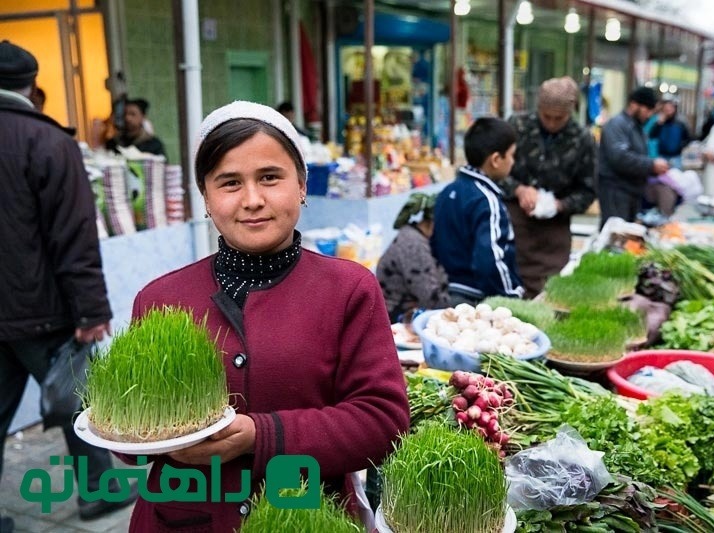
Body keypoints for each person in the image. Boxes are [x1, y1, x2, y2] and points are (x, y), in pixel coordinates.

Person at [119, 101, 409, 531]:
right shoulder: (160, 298)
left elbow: (382, 423)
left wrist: (260, 436)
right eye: (229, 183)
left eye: (270, 178)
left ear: (302, 185)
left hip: (309, 517)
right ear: (205, 197)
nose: (252, 200)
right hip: (184, 517)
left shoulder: (348, 290)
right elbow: (127, 442)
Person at [0, 40, 137, 531]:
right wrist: (91, 311)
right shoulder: (50, 142)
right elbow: (74, 235)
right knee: (80, 402)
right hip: (43, 310)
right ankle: (98, 493)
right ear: (33, 87)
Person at [505, 77, 597, 296]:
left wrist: (559, 205)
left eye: (560, 118)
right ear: (538, 108)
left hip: (554, 232)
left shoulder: (583, 139)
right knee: (511, 287)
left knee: (551, 292)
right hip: (514, 223)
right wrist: (519, 189)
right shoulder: (517, 126)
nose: (552, 123)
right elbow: (493, 170)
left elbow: (588, 190)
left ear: (571, 112)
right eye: (547, 117)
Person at [431, 117, 525, 304]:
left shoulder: (448, 191)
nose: (513, 162)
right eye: (512, 155)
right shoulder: (487, 201)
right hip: (475, 299)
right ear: (496, 160)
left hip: (444, 292)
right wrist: (511, 296)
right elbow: (490, 259)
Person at [597, 86, 671, 226]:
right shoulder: (617, 125)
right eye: (647, 110)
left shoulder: (637, 128)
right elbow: (619, 157)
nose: (649, 115)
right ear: (634, 104)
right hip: (616, 191)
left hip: (632, 192)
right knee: (616, 235)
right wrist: (651, 165)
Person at [376, 192, 450, 322]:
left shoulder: (416, 236)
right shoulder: (414, 245)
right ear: (433, 223)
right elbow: (431, 299)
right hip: (396, 316)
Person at [649, 95, 692, 165]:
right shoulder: (659, 121)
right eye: (666, 108)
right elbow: (652, 135)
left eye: (670, 107)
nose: (668, 110)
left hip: (676, 156)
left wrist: (680, 146)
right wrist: (659, 124)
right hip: (661, 155)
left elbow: (688, 138)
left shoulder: (680, 122)